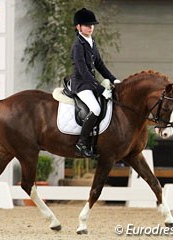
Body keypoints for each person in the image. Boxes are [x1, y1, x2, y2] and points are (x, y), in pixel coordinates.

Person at [70, 8, 120, 158]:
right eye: (86, 25)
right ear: (78, 27)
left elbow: (99, 64)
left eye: (92, 25)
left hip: (89, 82)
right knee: (96, 109)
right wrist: (99, 88)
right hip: (80, 84)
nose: (90, 27)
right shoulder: (78, 45)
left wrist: (113, 79)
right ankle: (82, 143)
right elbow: (84, 71)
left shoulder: (91, 42)